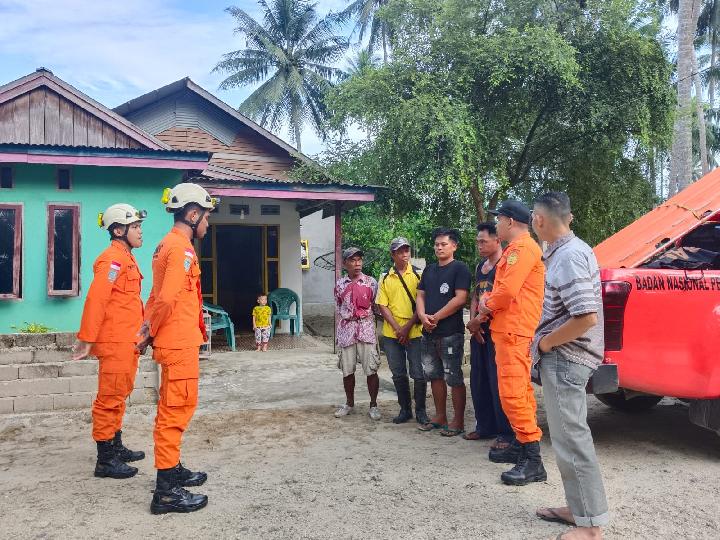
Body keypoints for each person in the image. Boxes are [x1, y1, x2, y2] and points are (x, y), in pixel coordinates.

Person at [531, 192, 608, 540]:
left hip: (567, 358)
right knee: (566, 440)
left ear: (539, 220)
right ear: (570, 217)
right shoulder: (568, 252)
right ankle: (579, 511)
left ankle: (590, 527)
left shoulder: (569, 257)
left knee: (572, 441)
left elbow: (586, 317)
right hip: (565, 357)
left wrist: (546, 343)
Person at [138, 183, 217, 514]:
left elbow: (156, 296)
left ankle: (172, 469)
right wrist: (149, 331)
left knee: (173, 407)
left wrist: (146, 329)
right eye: (207, 216)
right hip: (178, 342)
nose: (208, 224)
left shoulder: (164, 246)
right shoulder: (181, 249)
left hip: (174, 339)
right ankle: (167, 491)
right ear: (193, 213)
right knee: (175, 410)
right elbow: (167, 298)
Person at [73, 204, 148, 480]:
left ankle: (115, 446)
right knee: (109, 399)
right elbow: (97, 300)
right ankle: (105, 460)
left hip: (127, 342)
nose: (141, 232)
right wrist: (86, 339)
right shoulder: (112, 261)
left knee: (119, 395)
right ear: (119, 230)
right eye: (135, 227)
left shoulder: (126, 258)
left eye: (140, 226)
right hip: (115, 342)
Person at [477, 200, 546, 486]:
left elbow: (504, 294)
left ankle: (532, 460)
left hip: (514, 330)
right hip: (509, 330)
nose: (496, 225)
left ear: (509, 222)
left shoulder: (522, 250)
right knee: (518, 391)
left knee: (513, 393)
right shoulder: (518, 250)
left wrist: (485, 304)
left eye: (498, 220)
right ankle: (521, 443)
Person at [416, 227, 471, 437]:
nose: (439, 247)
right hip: (428, 332)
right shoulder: (429, 270)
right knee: (434, 376)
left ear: (454, 246)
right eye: (437, 244)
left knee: (454, 377)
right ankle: (440, 416)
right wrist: (422, 316)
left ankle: (457, 421)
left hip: (450, 333)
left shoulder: (460, 269)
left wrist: (436, 317)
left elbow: (460, 299)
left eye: (444, 244)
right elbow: (420, 294)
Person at [464, 223, 514, 451]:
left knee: (498, 382)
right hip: (479, 333)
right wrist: (474, 324)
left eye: (483, 241)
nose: (479, 245)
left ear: (497, 240)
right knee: (479, 380)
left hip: (498, 331)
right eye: (477, 241)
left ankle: (505, 432)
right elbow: (476, 296)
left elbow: (501, 298)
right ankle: (484, 425)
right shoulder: (480, 266)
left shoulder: (506, 265)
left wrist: (478, 321)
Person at [376, 237, 429, 425]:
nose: (405, 254)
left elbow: (422, 303)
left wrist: (406, 328)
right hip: (392, 334)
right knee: (398, 373)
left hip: (414, 331)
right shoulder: (385, 277)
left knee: (418, 372)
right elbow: (383, 305)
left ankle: (421, 411)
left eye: (407, 250)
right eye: (400, 251)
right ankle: (405, 409)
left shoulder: (419, 274)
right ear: (393, 254)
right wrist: (399, 329)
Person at [333, 247, 381, 420]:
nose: (357, 263)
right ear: (345, 263)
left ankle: (373, 404)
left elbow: (375, 305)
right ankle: (349, 403)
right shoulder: (340, 284)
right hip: (347, 330)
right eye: (353, 260)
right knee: (347, 370)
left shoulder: (371, 282)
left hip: (366, 329)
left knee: (371, 368)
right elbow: (339, 307)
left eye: (359, 260)